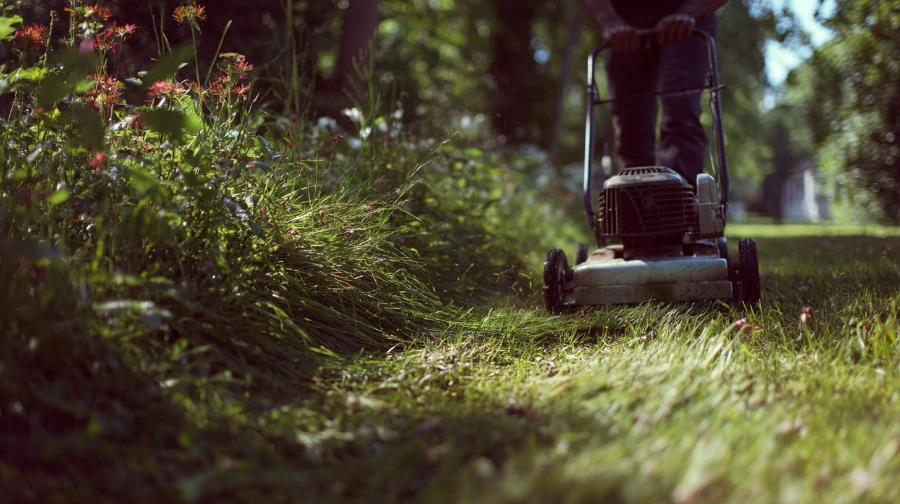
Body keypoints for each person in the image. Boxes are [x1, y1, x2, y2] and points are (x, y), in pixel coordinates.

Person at [581, 0, 729, 188]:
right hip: (625, 22)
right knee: (631, 127)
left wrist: (688, 12)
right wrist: (610, 21)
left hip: (691, 17)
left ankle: (678, 200)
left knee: (680, 109)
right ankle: (637, 200)